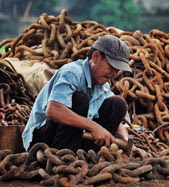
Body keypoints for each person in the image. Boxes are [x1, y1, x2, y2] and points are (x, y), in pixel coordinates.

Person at [22, 35, 151, 159]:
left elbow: (118, 124)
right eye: (112, 67)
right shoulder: (72, 72)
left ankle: (87, 156)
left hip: (74, 139)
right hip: (43, 140)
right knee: (80, 100)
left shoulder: (103, 85)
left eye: (118, 70)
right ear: (96, 57)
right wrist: (94, 126)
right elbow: (53, 110)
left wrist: (129, 144)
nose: (114, 73)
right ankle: (62, 159)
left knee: (118, 104)